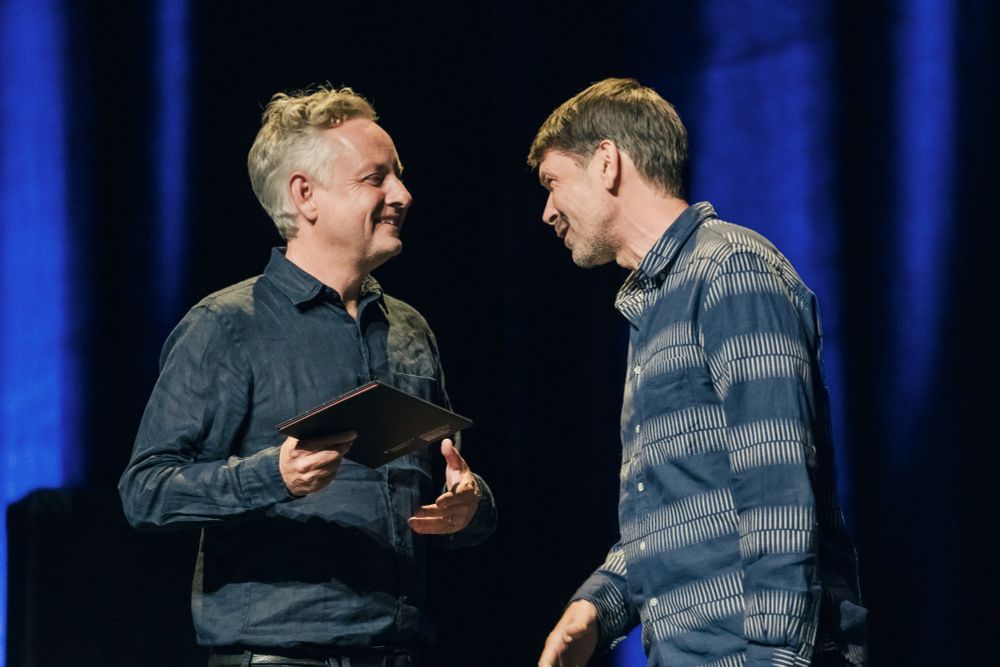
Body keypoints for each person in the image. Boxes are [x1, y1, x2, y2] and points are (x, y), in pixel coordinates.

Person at [119, 85, 496, 667]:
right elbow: (146, 491)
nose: (403, 193)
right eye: (376, 178)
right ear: (306, 195)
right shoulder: (227, 326)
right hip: (280, 656)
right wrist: (274, 475)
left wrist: (471, 505)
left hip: (399, 652)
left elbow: (450, 480)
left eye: (398, 174)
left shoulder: (409, 329)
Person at [528, 78, 867, 667]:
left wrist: (775, 659)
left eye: (553, 183)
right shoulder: (656, 307)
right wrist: (596, 608)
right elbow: (681, 507)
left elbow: (777, 488)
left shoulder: (730, 272)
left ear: (606, 162)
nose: (547, 211)